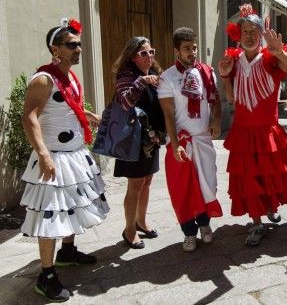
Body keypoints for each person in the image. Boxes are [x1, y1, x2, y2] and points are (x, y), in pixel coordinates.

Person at [20, 18, 109, 302]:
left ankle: (67, 252)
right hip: (54, 158)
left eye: (79, 44)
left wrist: (89, 116)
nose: (78, 49)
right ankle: (45, 276)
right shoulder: (43, 78)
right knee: (51, 215)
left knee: (71, 206)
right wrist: (44, 155)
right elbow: (30, 117)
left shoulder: (68, 76)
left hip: (73, 154)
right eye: (71, 45)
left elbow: (70, 105)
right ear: (55, 49)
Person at [218, 3, 287, 246]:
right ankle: (256, 223)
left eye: (254, 31)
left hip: (267, 131)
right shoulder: (233, 60)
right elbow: (232, 98)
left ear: (261, 34)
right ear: (239, 35)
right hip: (243, 132)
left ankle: (271, 206)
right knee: (248, 180)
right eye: (245, 32)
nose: (250, 36)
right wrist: (224, 76)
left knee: (271, 176)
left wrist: (279, 53)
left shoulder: (270, 57)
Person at [158, 27, 223, 252]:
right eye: (187, 48)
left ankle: (204, 224)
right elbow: (168, 114)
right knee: (183, 190)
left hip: (203, 139)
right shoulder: (167, 78)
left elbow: (215, 101)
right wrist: (175, 146)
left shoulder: (207, 72)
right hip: (181, 142)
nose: (192, 52)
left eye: (194, 47)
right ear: (177, 50)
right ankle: (188, 233)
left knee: (207, 184)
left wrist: (216, 120)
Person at [113, 36, 165, 249]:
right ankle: (129, 230)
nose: (149, 57)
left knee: (147, 182)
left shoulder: (153, 74)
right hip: (133, 140)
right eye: (144, 53)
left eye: (151, 52)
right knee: (135, 184)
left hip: (151, 139)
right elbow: (125, 102)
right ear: (132, 56)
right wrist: (142, 82)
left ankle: (141, 221)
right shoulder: (126, 76)